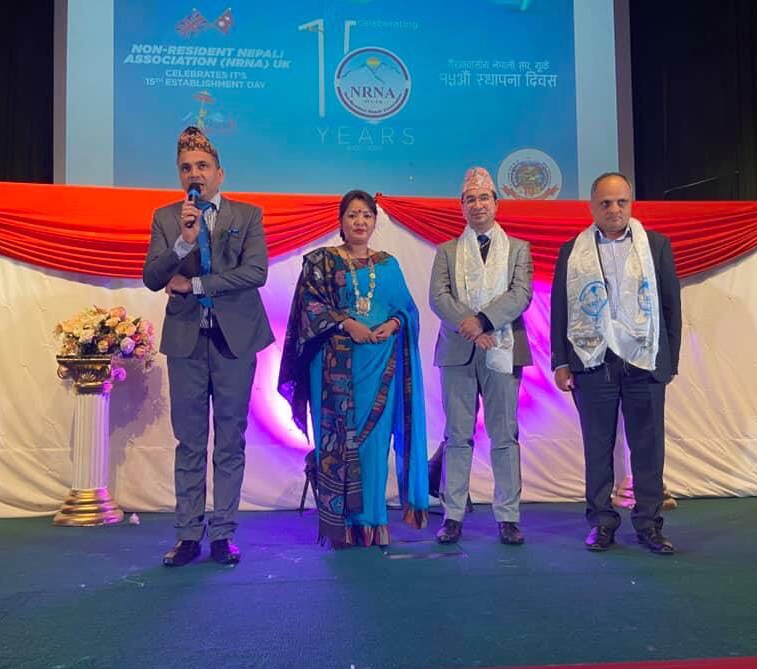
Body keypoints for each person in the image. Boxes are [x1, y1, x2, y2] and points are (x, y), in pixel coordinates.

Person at [143, 126, 274, 567]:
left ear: (220, 173)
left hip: (234, 341)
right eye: (186, 168)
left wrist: (196, 284)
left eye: (202, 166)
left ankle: (223, 534)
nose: (194, 174)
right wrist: (182, 241)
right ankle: (187, 535)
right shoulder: (166, 218)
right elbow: (152, 277)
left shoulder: (247, 215)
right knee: (190, 440)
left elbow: (255, 272)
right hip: (186, 341)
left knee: (230, 439)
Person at [278, 190, 429, 547]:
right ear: (341, 221)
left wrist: (393, 324)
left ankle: (373, 522)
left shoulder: (388, 265)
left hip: (380, 365)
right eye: (353, 215)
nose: (360, 222)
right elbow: (309, 309)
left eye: (366, 215)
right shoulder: (322, 262)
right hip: (333, 370)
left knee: (374, 446)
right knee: (337, 445)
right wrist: (347, 324)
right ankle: (343, 526)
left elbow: (407, 310)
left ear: (375, 221)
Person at [550, 172, 682, 554]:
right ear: (593, 206)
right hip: (593, 361)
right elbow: (561, 307)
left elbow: (671, 305)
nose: (614, 209)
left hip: (645, 361)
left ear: (631, 203)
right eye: (605, 203)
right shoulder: (572, 251)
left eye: (621, 202)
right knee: (597, 447)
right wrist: (560, 361)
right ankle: (602, 522)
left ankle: (649, 524)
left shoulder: (655, 245)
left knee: (648, 448)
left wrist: (668, 360)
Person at [429, 167, 534, 546]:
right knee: (457, 436)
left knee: (504, 435)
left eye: (484, 198)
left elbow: (521, 294)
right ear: (462, 206)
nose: (477, 205)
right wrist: (471, 326)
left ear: (496, 203)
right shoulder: (447, 251)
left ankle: (508, 516)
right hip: (458, 352)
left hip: (503, 349)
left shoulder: (518, 248)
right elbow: (438, 298)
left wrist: (484, 321)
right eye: (470, 199)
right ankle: (453, 515)